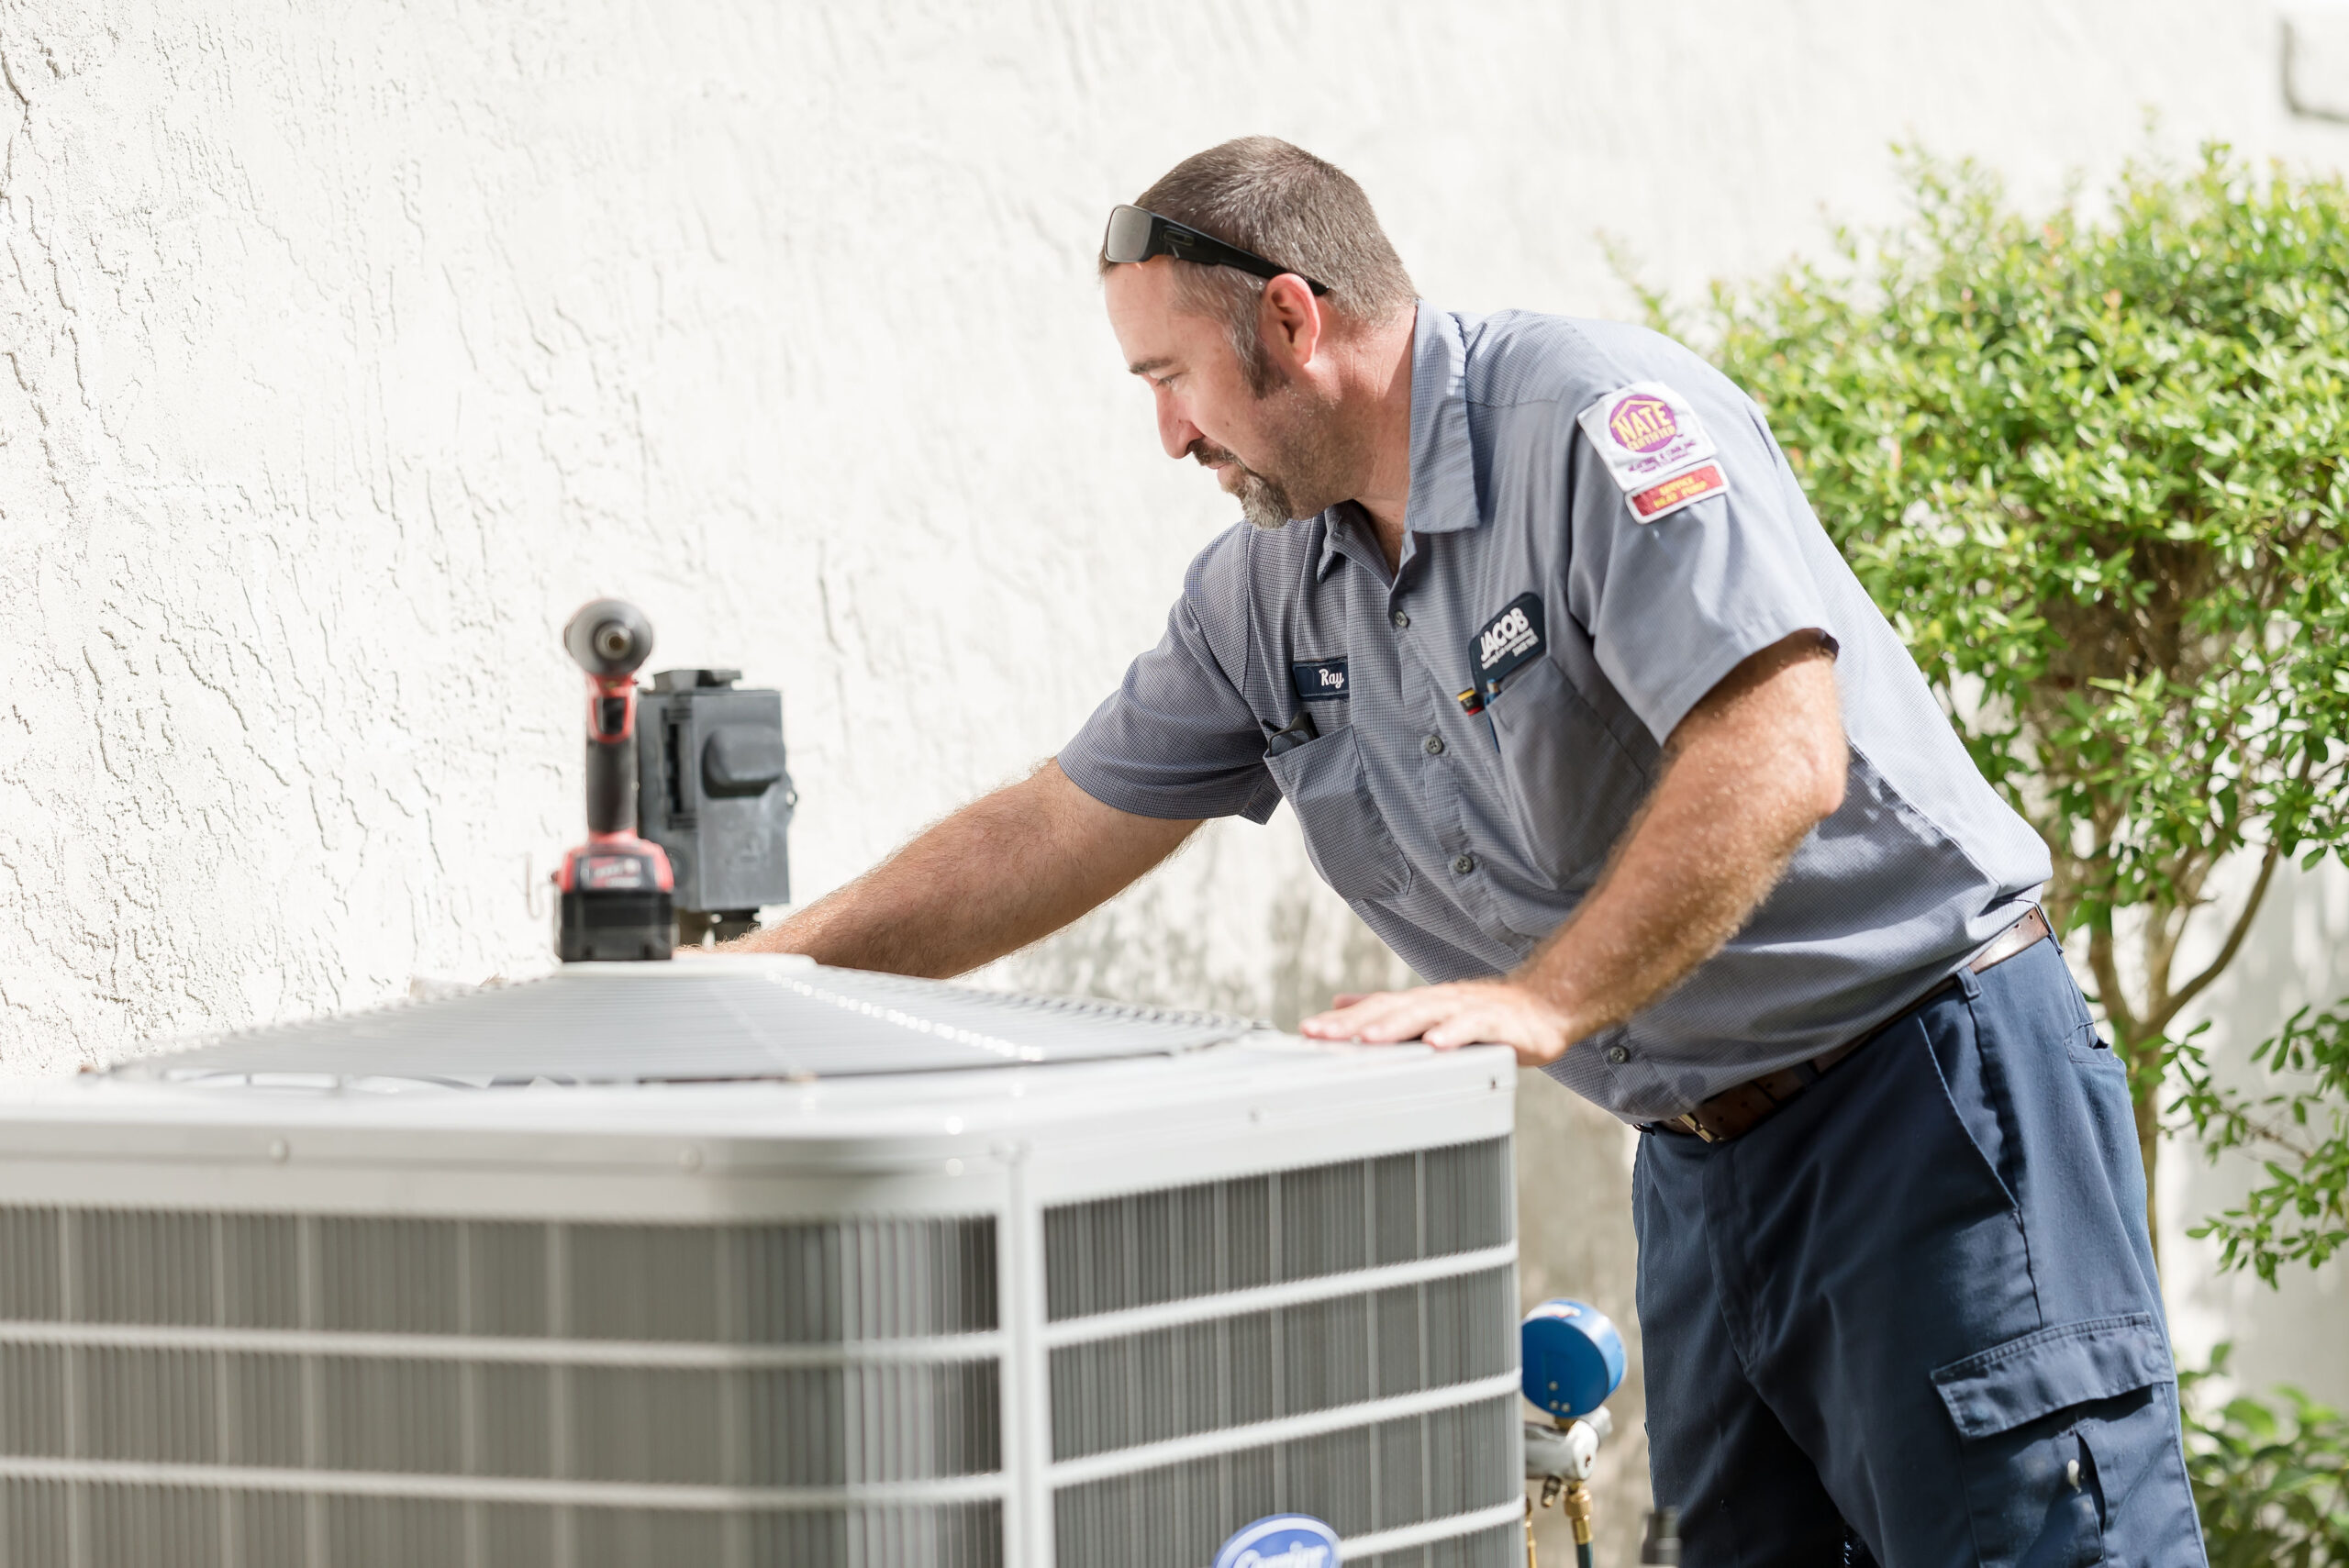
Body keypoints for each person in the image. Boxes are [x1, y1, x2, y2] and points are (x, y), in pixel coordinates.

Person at [731, 137, 2207, 1566]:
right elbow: (1050, 825)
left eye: (1171, 378)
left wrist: (1545, 997)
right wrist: (746, 981)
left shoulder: (1590, 423)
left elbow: (1778, 751)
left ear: (1294, 321)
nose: (1169, 434)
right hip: (1701, 1166)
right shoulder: (1269, 590)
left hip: (1926, 1100)